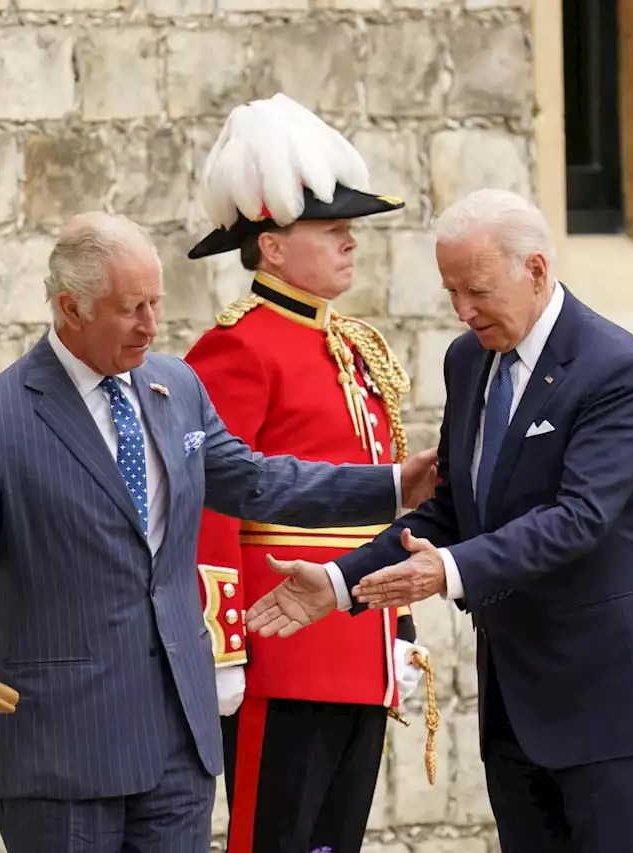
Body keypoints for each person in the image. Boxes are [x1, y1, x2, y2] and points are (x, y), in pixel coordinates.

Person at [0, 211, 438, 853]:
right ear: (70, 308)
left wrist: (393, 485)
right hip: (62, 745)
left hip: (176, 738)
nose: (150, 324)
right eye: (129, 308)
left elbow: (255, 481)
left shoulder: (177, 385)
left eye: (155, 302)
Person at [242, 188, 633, 852]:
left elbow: (578, 517)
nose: (462, 310)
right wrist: (339, 582)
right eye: (451, 291)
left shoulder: (612, 367)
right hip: (514, 696)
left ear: (535, 270)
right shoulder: (467, 360)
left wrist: (446, 571)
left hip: (609, 693)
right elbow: (451, 509)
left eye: (475, 289)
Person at [183, 93, 434, 853]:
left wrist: (402, 623)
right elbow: (213, 505)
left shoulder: (355, 346)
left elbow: (385, 508)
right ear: (273, 246)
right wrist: (224, 645)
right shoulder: (237, 347)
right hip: (280, 648)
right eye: (331, 229)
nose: (351, 242)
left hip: (358, 639)